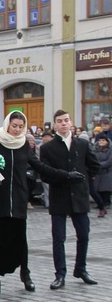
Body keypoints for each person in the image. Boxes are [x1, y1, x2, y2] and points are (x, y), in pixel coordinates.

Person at [0, 111, 69, 296]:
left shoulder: (23, 145)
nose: (17, 130)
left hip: (19, 198)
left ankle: (25, 274)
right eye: (14, 126)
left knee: (20, 239)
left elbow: (40, 167)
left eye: (21, 127)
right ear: (7, 125)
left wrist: (66, 176)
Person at [40, 109, 101, 290]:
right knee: (59, 238)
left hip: (79, 196)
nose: (64, 123)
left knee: (83, 234)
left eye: (66, 120)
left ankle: (81, 269)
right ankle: (60, 274)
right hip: (59, 197)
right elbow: (45, 174)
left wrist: (84, 180)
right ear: (55, 125)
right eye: (60, 121)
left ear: (71, 122)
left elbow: (94, 165)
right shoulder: (47, 148)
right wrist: (66, 177)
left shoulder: (82, 144)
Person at [93, 135, 112, 217]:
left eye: (103, 140)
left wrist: (99, 165)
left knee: (106, 189)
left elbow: (109, 161)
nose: (101, 142)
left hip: (107, 171)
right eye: (100, 140)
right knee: (97, 189)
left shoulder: (110, 150)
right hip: (97, 172)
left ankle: (106, 203)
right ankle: (100, 204)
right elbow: (92, 159)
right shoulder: (95, 150)